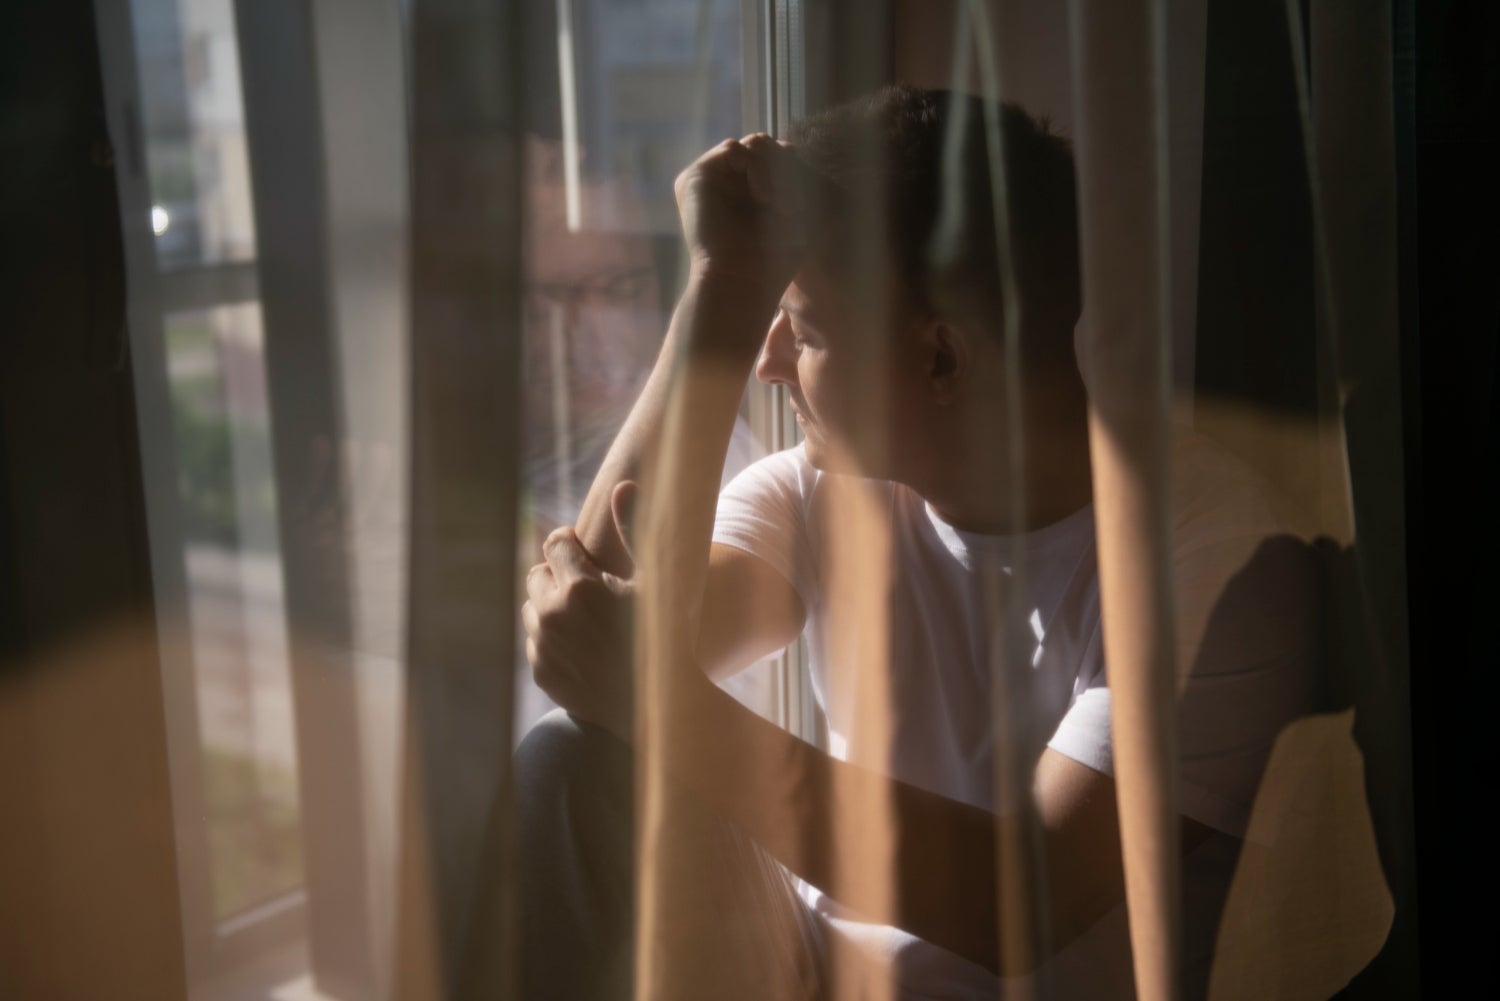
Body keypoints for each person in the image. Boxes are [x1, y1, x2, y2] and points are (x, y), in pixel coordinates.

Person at [517, 85, 1319, 999]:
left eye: (804, 329)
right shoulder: (824, 493)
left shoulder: (1216, 557)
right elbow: (588, 620)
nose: (768, 358)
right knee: (570, 759)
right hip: (818, 980)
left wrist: (668, 704)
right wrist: (718, 290)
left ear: (942, 356)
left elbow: (1021, 901)